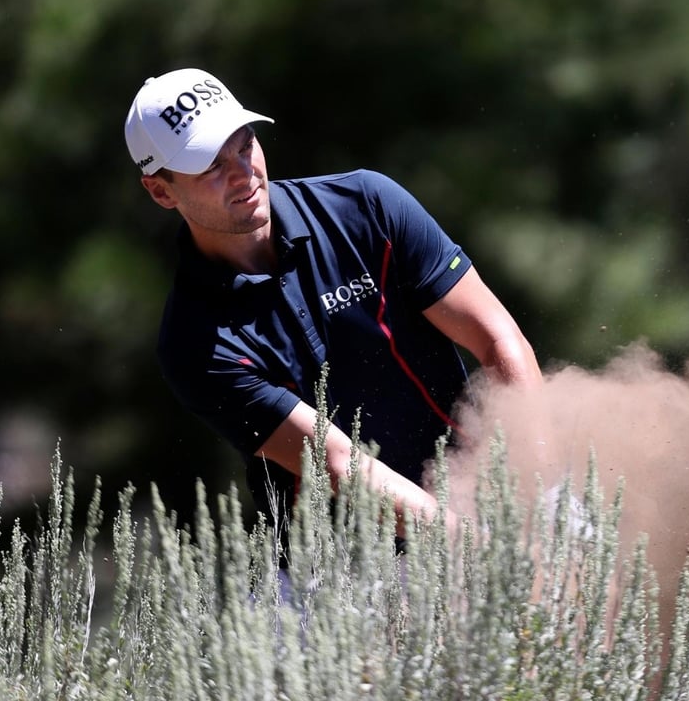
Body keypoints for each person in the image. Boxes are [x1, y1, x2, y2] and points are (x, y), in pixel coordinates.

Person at [124, 68, 541, 538]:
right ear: (161, 190)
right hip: (343, 564)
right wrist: (478, 546)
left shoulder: (368, 205)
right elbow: (341, 464)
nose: (244, 174)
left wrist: (536, 485)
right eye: (211, 166)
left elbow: (497, 339)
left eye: (245, 145)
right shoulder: (193, 343)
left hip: (481, 497)